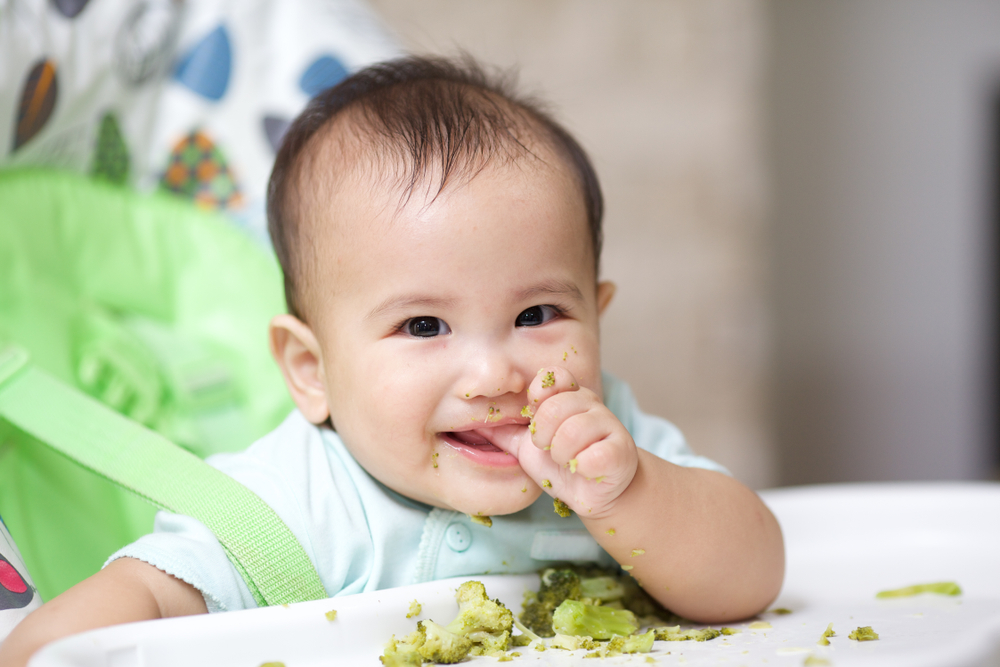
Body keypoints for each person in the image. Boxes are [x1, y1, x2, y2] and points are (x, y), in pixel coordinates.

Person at [0, 56, 783, 665]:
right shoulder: (293, 502)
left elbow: (751, 576)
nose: (494, 375)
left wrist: (631, 495)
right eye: (423, 325)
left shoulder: (609, 447)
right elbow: (144, 596)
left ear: (598, 317)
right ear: (311, 369)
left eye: (536, 315)